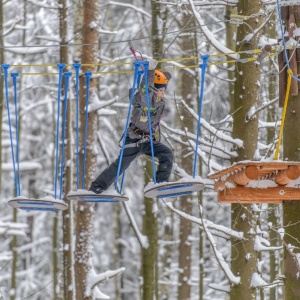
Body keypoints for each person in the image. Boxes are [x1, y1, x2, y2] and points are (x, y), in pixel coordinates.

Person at [89, 58, 174, 194]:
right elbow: (147, 88)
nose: (163, 94)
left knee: (167, 153)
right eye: (161, 91)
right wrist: (150, 72)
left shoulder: (159, 102)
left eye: (164, 91)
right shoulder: (144, 97)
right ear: (153, 89)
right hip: (134, 139)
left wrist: (167, 76)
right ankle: (96, 187)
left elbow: (160, 83)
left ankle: (161, 182)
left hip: (147, 141)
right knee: (120, 166)